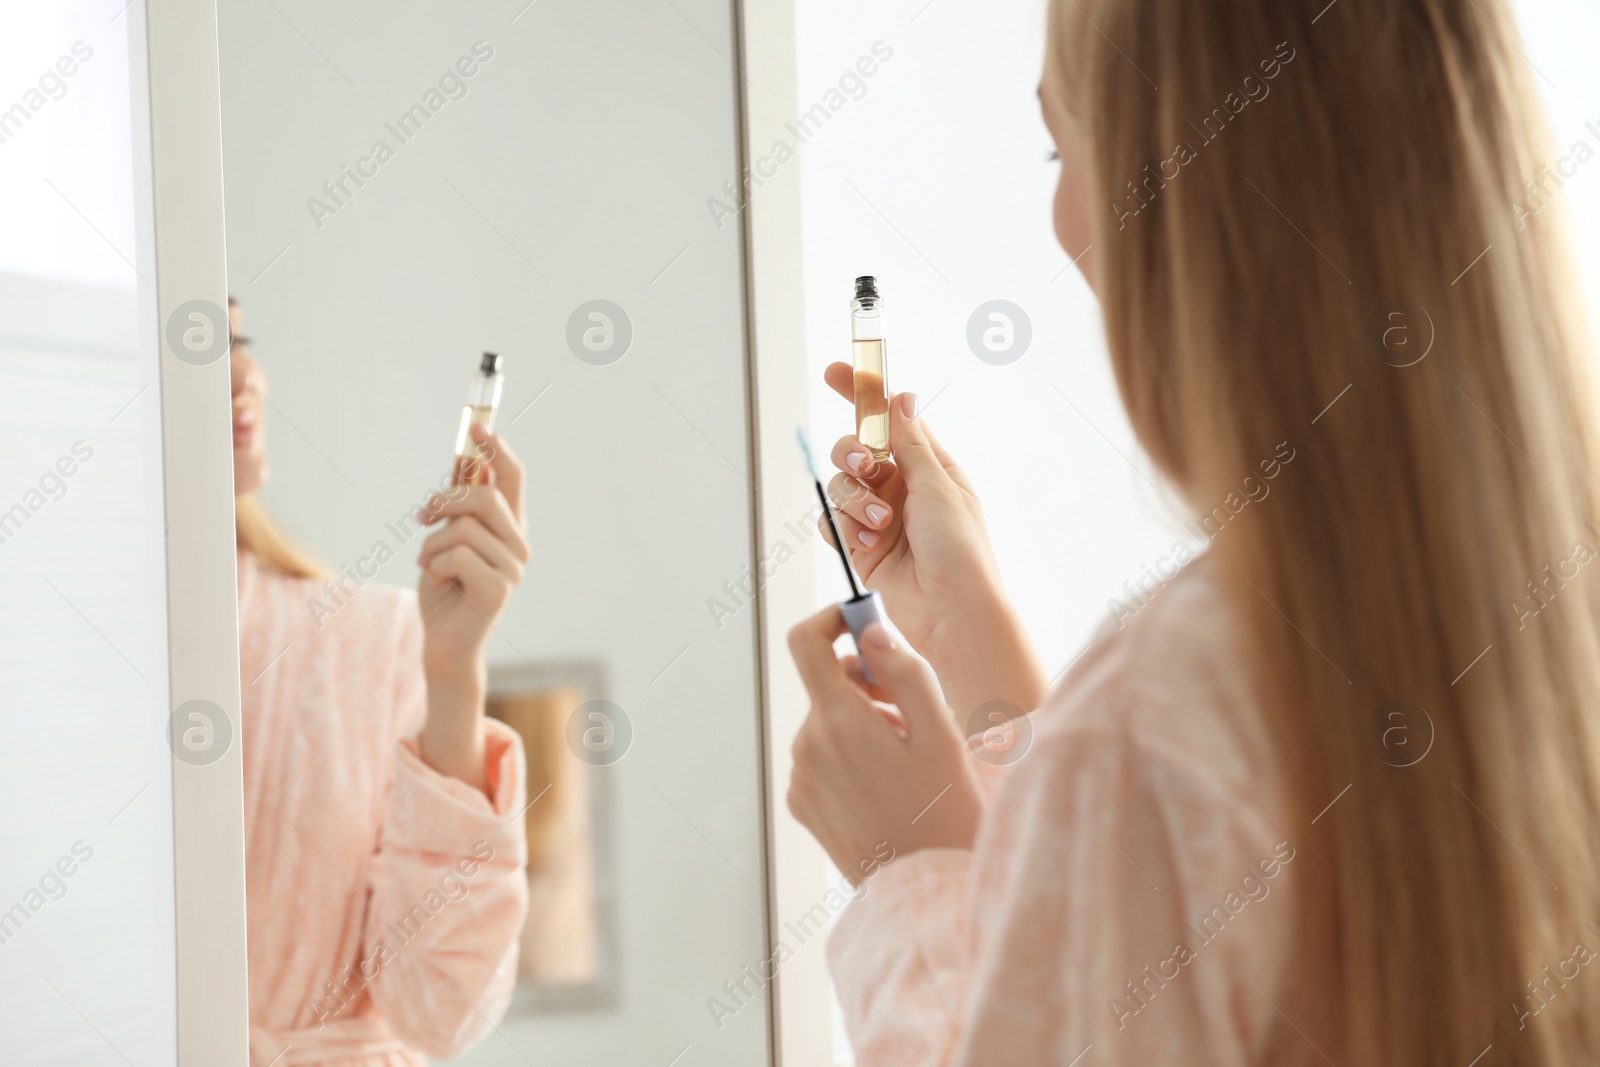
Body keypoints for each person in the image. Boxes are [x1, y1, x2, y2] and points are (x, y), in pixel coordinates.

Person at [786, 0, 1600, 1064]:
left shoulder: (1157, 712)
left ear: (1187, 196)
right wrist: (971, 623)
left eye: (1058, 144)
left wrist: (918, 877)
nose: (1064, 225)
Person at [228, 298, 532, 1066]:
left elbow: (442, 1009)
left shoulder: (367, 639)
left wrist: (452, 669)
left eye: (240, 338)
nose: (239, 371)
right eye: (196, 344)